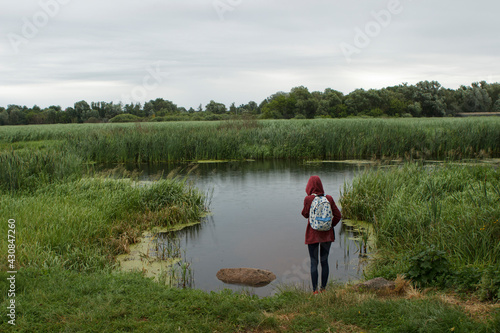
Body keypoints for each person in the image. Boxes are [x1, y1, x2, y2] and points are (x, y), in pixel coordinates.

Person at [301, 175, 342, 294]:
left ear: (310, 186)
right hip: (327, 235)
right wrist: (330, 225)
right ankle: (323, 289)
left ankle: (315, 291)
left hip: (312, 234)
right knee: (324, 262)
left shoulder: (308, 199)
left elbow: (304, 214)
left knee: (314, 262)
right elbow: (338, 216)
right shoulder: (329, 198)